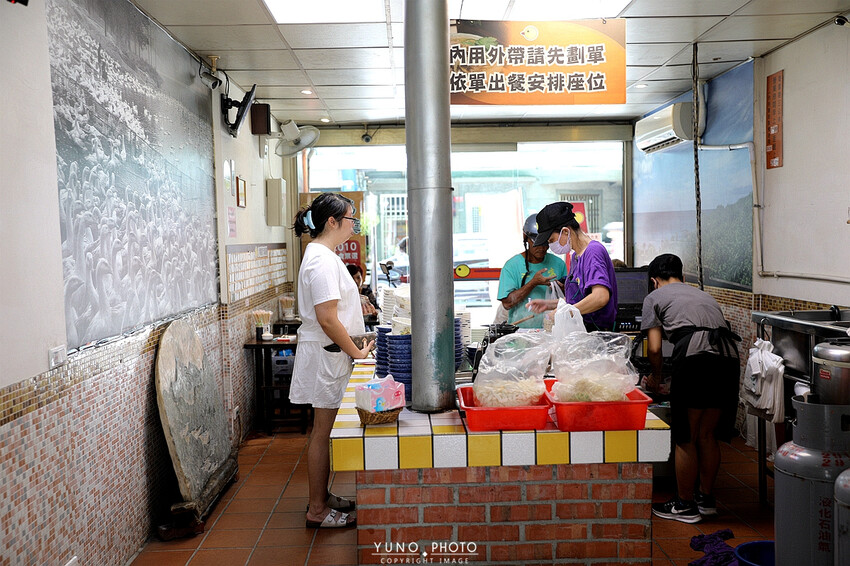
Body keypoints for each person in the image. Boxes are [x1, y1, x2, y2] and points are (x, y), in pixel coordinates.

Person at [290, 193, 374, 529]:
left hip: (330, 352)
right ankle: (316, 510)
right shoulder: (321, 260)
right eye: (351, 218)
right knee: (322, 432)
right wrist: (357, 352)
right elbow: (327, 318)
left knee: (322, 432)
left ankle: (322, 497)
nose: (355, 224)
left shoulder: (323, 255)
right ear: (332, 222)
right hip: (328, 354)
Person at [641, 253, 741, 524]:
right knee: (707, 434)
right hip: (729, 357)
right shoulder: (702, 294)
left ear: (654, 281)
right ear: (683, 278)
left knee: (686, 435)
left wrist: (656, 377)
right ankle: (705, 500)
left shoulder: (654, 297)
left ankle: (684, 505)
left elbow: (653, 348)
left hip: (697, 358)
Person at [526, 201, 618, 331]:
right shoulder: (576, 256)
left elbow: (600, 297)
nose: (551, 246)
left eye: (551, 240)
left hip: (598, 335)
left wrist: (563, 313)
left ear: (565, 232)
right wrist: (548, 304)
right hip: (583, 334)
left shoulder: (593, 252)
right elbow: (577, 300)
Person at [496, 213, 566, 328]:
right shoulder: (512, 266)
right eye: (537, 243)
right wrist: (533, 283)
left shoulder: (559, 264)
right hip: (520, 335)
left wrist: (561, 288)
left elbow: (569, 300)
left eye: (545, 243)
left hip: (551, 332)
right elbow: (507, 303)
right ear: (526, 238)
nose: (542, 248)